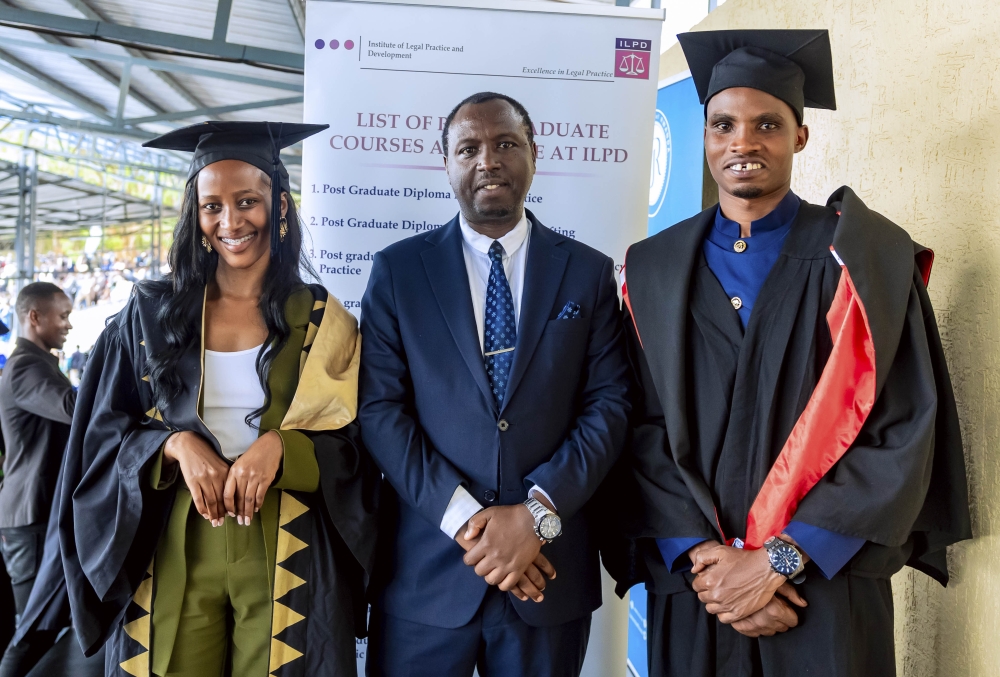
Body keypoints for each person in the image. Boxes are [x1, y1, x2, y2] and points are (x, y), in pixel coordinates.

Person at [616, 30, 971, 677]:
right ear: (704, 136)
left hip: (826, 585)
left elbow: (901, 428)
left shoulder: (861, 262)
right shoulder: (655, 269)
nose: (743, 142)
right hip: (699, 591)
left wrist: (777, 561)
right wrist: (707, 565)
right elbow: (638, 426)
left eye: (767, 124)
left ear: (800, 137)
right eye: (723, 125)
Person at [55, 121, 380, 677]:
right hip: (171, 539)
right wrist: (174, 446)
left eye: (247, 201)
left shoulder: (321, 321)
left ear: (280, 205)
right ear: (196, 215)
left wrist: (282, 448)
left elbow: (358, 443)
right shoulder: (151, 317)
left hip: (289, 543)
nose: (230, 222)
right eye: (212, 207)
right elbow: (100, 435)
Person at [359, 92, 630, 677]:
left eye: (506, 143)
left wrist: (535, 515)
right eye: (469, 149)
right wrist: (467, 521)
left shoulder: (587, 272)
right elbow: (381, 411)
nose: (488, 160)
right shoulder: (399, 272)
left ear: (534, 153)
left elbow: (609, 405)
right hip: (427, 578)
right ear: (447, 163)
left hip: (546, 574)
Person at [0, 283, 75, 620]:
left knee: (47, 623)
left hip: (40, 511)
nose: (68, 325)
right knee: (34, 626)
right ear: (35, 317)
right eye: (63, 316)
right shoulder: (25, 367)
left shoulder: (39, 363)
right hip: (29, 515)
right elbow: (73, 407)